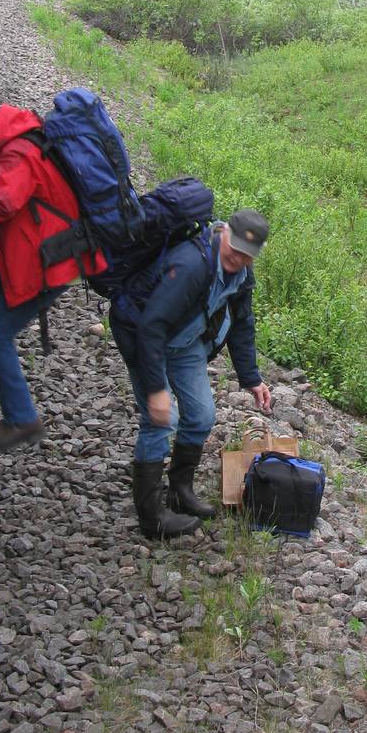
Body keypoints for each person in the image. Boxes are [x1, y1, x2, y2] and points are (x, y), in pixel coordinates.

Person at [109, 207, 272, 540]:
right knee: (161, 419)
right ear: (223, 232)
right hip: (145, 335)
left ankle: (179, 491)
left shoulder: (242, 274)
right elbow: (151, 326)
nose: (239, 258)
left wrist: (251, 377)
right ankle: (150, 515)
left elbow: (242, 324)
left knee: (200, 416)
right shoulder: (191, 265)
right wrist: (156, 388)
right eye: (235, 248)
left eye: (247, 255)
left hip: (185, 341)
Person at [0, 98, 103, 453]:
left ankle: (22, 419)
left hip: (49, 263)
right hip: (32, 253)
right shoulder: (8, 142)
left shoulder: (18, 153)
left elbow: (2, 202)